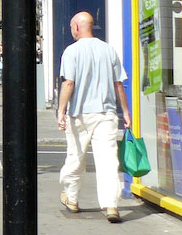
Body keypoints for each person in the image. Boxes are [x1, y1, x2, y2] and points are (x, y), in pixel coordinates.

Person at [56, 11, 131, 223]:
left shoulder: (71, 52)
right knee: (107, 160)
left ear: (77, 27)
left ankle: (71, 199)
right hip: (106, 114)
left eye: (72, 27)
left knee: (76, 157)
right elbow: (119, 84)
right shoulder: (108, 50)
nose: (72, 30)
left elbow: (68, 83)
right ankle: (111, 205)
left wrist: (61, 111)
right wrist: (125, 112)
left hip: (79, 114)